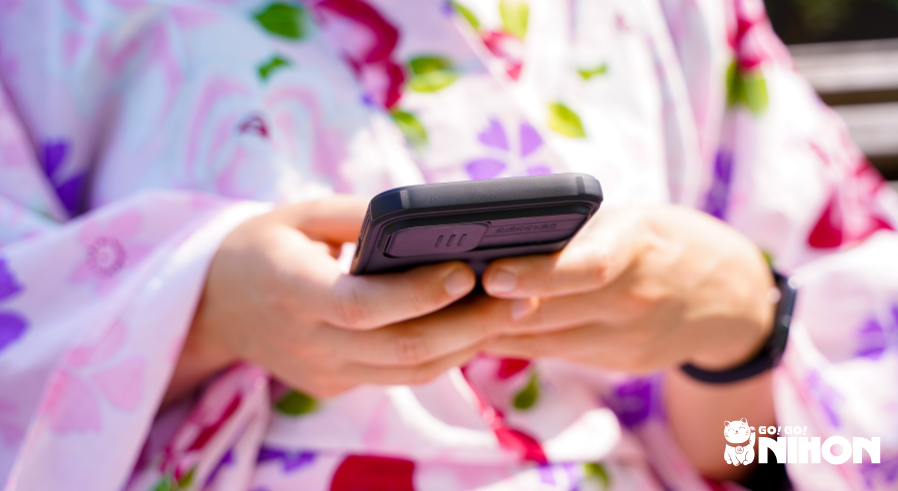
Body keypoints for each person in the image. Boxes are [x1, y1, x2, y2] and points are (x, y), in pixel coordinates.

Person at [0, 0, 896, 489]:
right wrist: (200, 309)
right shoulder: (44, 25)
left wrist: (741, 325)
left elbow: (801, 456)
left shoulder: (675, 15)